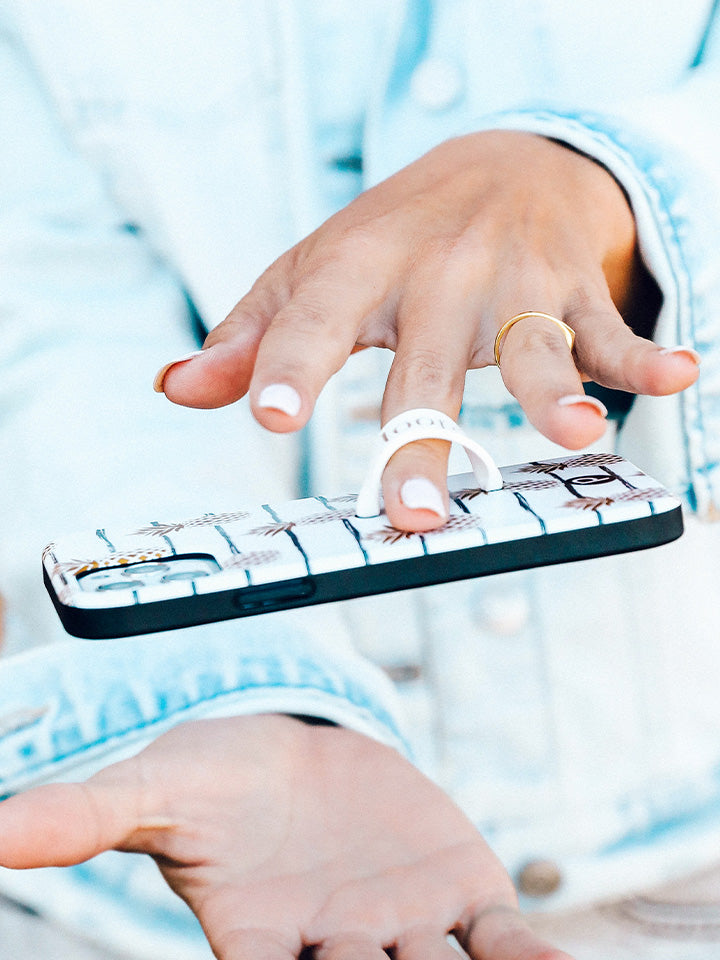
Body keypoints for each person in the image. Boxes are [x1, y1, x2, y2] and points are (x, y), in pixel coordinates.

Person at [1, 1, 720, 958]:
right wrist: (252, 687)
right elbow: (60, 307)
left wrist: (612, 187)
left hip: (681, 860)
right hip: (165, 865)